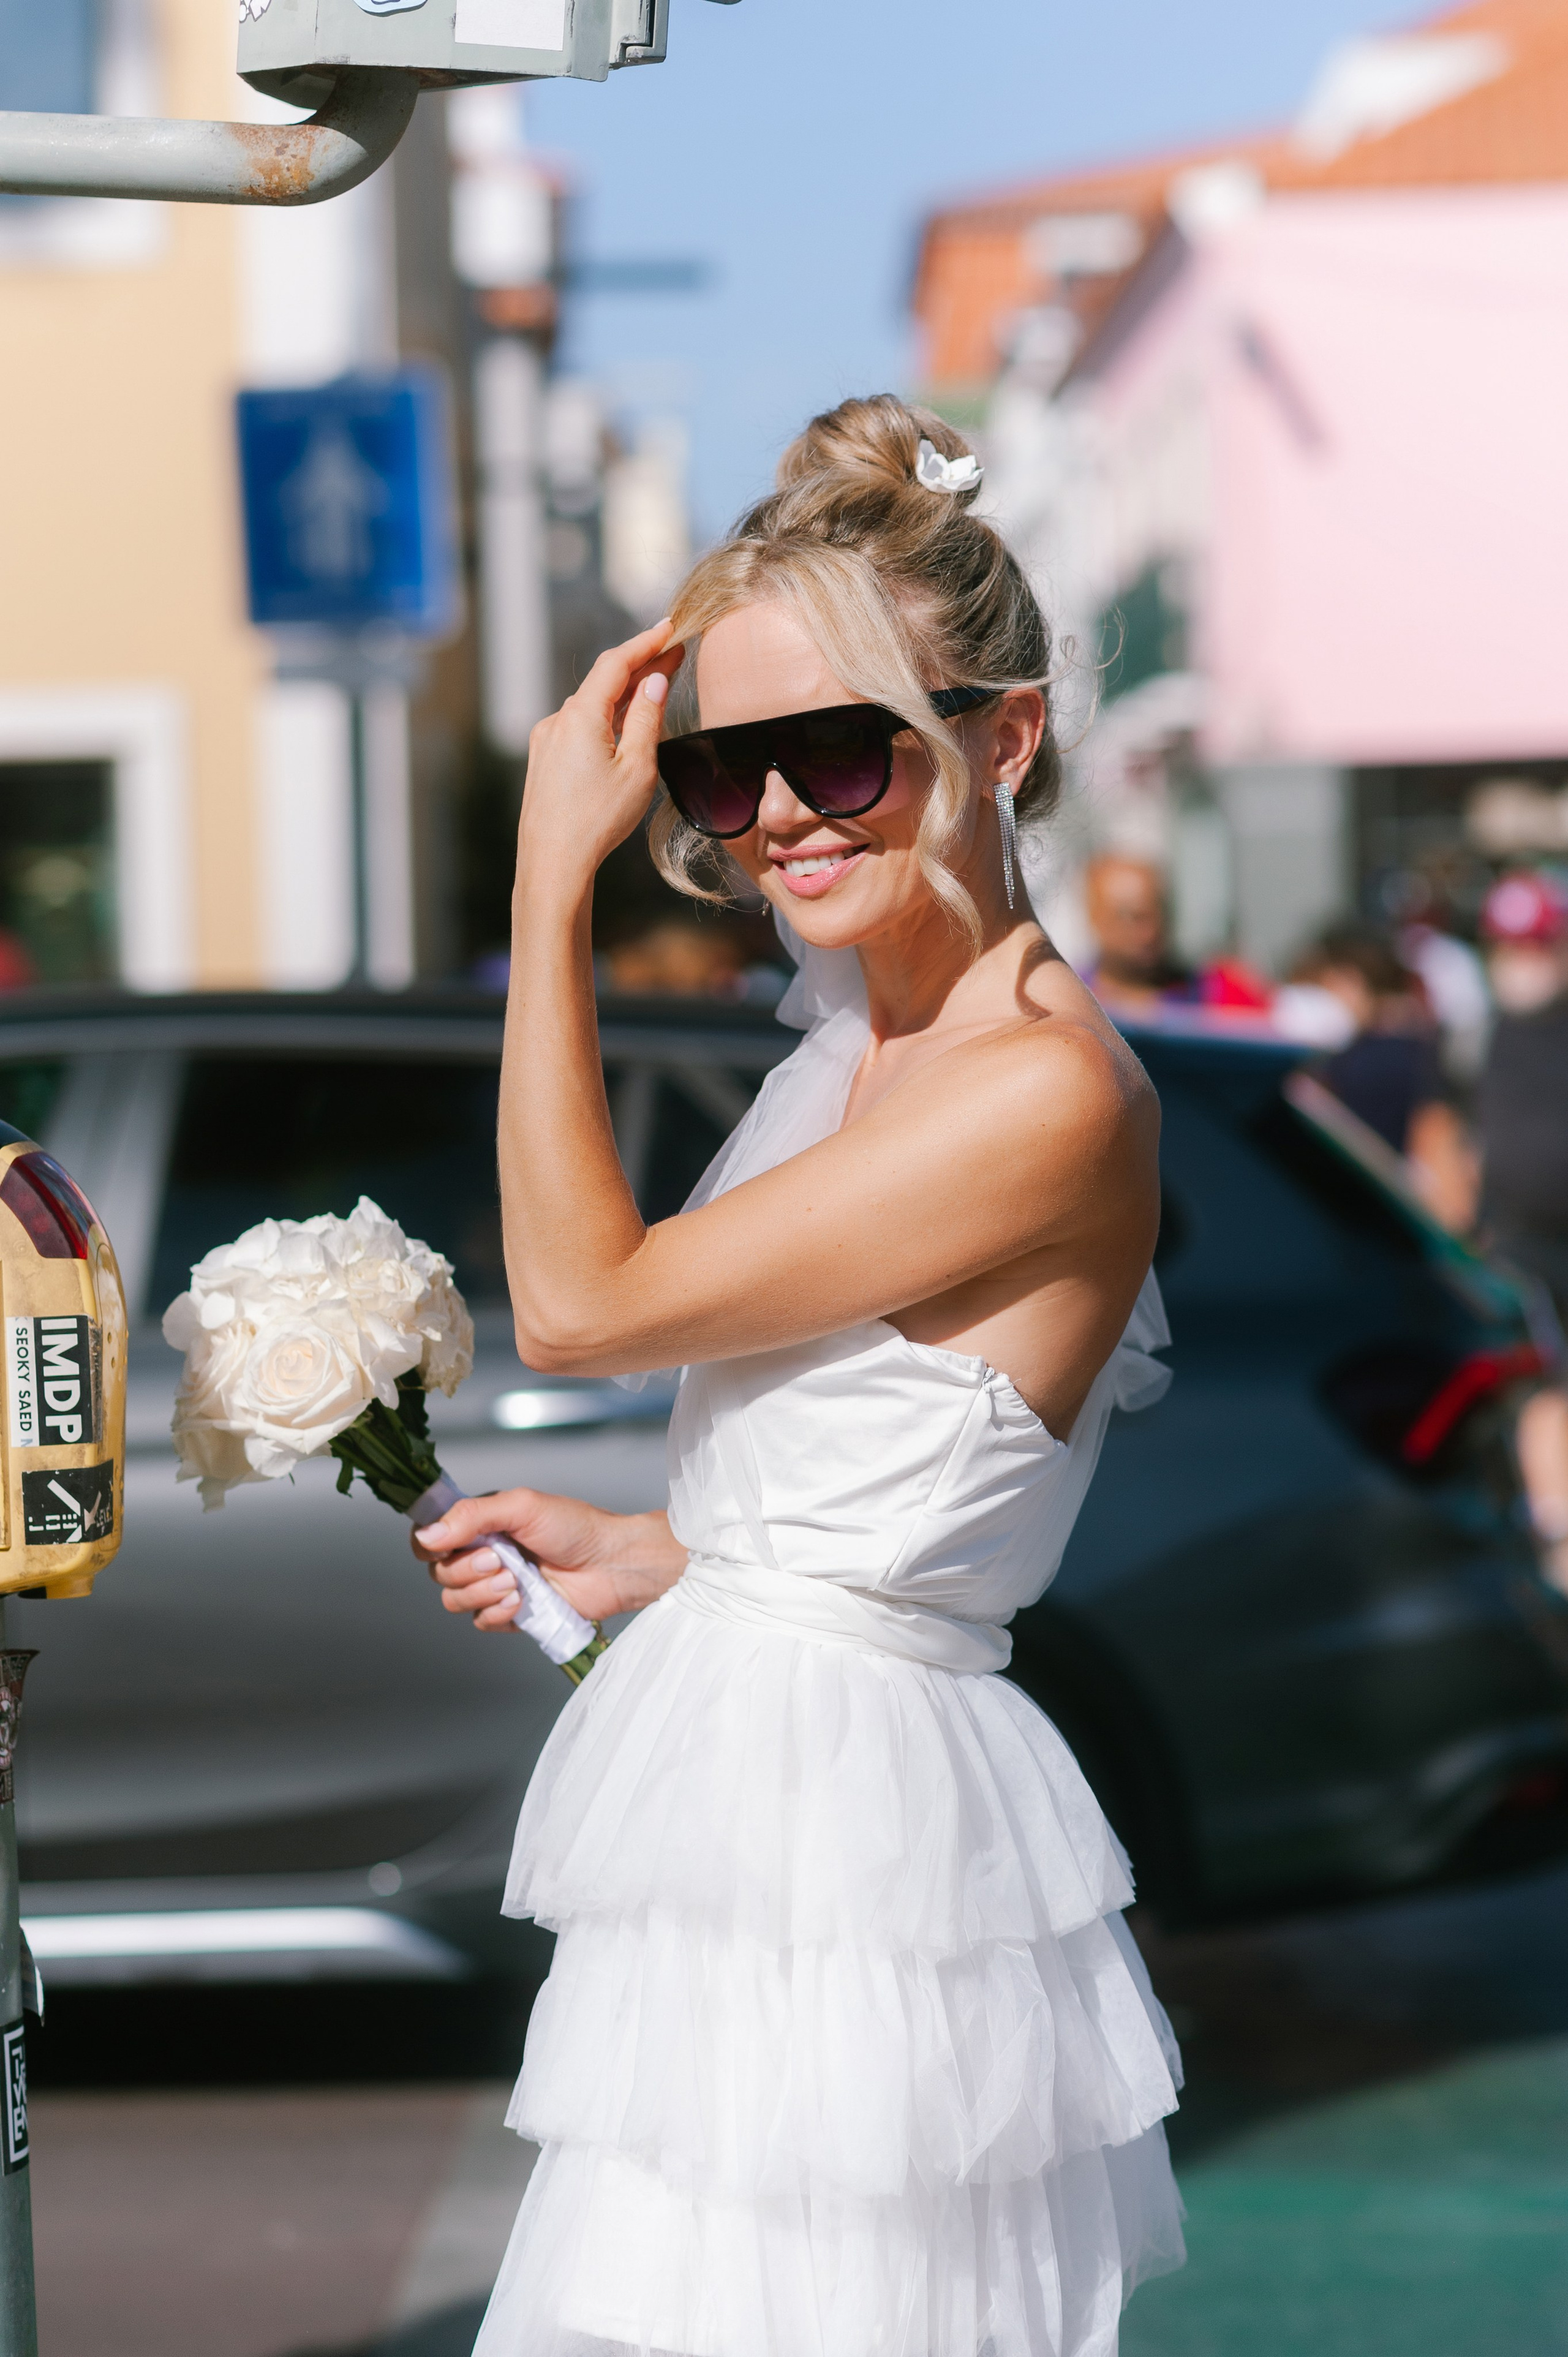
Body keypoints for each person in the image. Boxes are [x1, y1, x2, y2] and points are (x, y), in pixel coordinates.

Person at [415, 396, 1185, 2357]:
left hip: (851, 1857)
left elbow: (582, 1304)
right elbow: (887, 1488)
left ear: (998, 737)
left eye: (837, 749)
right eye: (717, 766)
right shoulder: (853, 1044)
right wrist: (659, 1546)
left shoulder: (1035, 1085)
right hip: (774, 1810)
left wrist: (543, 884)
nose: (774, 817)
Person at [1475, 872, 1568, 1589]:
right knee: (1539, 1385)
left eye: (1535, 943)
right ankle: (1555, 1537)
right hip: (1512, 1242)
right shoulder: (1479, 1025)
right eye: (1509, 944)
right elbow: (1448, 1127)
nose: (1522, 959)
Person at [1299, 926, 1477, 1232]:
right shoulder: (1416, 1049)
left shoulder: (1359, 1060)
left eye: (1323, 987)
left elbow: (1439, 1142)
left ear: (1349, 980)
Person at [1082, 853, 1268, 1019]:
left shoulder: (1222, 993)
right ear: (1095, 917)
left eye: (1160, 912)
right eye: (1132, 918)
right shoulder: (1071, 999)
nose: (1150, 932)